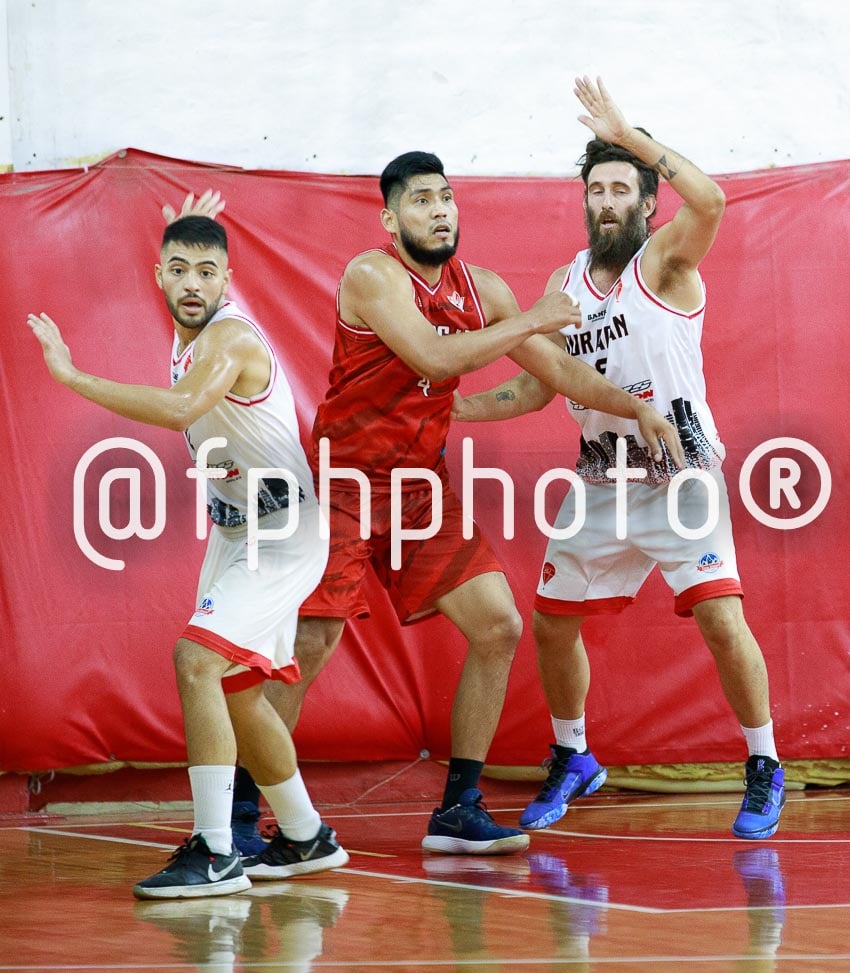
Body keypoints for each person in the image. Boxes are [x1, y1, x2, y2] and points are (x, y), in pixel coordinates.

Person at [233, 149, 683, 857]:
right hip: (345, 480)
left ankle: (458, 807)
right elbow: (436, 361)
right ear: (391, 218)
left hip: (420, 486)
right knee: (314, 640)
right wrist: (532, 319)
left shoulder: (485, 290)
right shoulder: (372, 274)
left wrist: (637, 407)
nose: (439, 210)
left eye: (446, 197)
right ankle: (241, 812)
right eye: (421, 200)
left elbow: (555, 375)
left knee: (499, 623)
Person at [452, 77, 785, 840]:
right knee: (550, 623)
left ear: (645, 201)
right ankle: (573, 754)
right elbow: (539, 392)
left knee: (721, 618)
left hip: (679, 474)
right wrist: (456, 409)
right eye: (596, 189)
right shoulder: (562, 286)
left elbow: (713, 203)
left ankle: (763, 761)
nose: (606, 201)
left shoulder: (666, 263)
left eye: (621, 189)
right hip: (601, 478)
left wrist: (632, 137)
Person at [27, 201, 349, 898]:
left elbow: (179, 410)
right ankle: (305, 834)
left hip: (282, 533)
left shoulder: (228, 341)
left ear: (228, 279)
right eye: (179, 271)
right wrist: (193, 223)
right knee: (237, 693)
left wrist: (73, 376)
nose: (194, 283)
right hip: (234, 532)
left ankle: (216, 851)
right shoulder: (186, 337)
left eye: (208, 271)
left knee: (195, 658)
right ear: (159, 278)